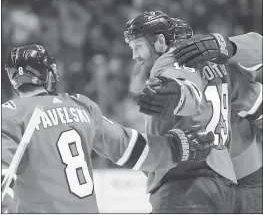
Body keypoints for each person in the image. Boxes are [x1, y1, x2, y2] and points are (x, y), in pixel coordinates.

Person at [1, 44, 215, 213]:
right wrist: (176, 147)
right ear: (48, 74)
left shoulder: (10, 114)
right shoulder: (80, 105)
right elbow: (128, 148)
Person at [124, 11, 262, 213]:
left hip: (201, 180)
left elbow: (185, 90)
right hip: (227, 179)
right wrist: (225, 44)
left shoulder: (171, 64)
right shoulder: (222, 67)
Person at [172, 32, 263, 213]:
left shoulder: (219, 63)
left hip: (236, 177)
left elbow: (258, 46)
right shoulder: (221, 68)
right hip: (220, 178)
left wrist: (226, 45)